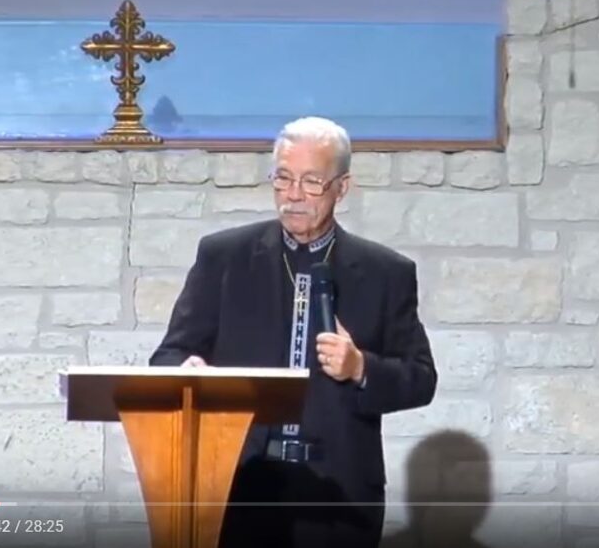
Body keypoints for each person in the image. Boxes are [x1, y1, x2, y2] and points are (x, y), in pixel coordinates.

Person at [149, 116, 438, 548]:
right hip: (238, 487)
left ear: (342, 187)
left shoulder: (386, 273)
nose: (293, 196)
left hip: (338, 494)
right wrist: (189, 371)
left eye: (311, 182)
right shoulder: (224, 258)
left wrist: (361, 368)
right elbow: (168, 357)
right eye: (282, 179)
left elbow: (421, 379)